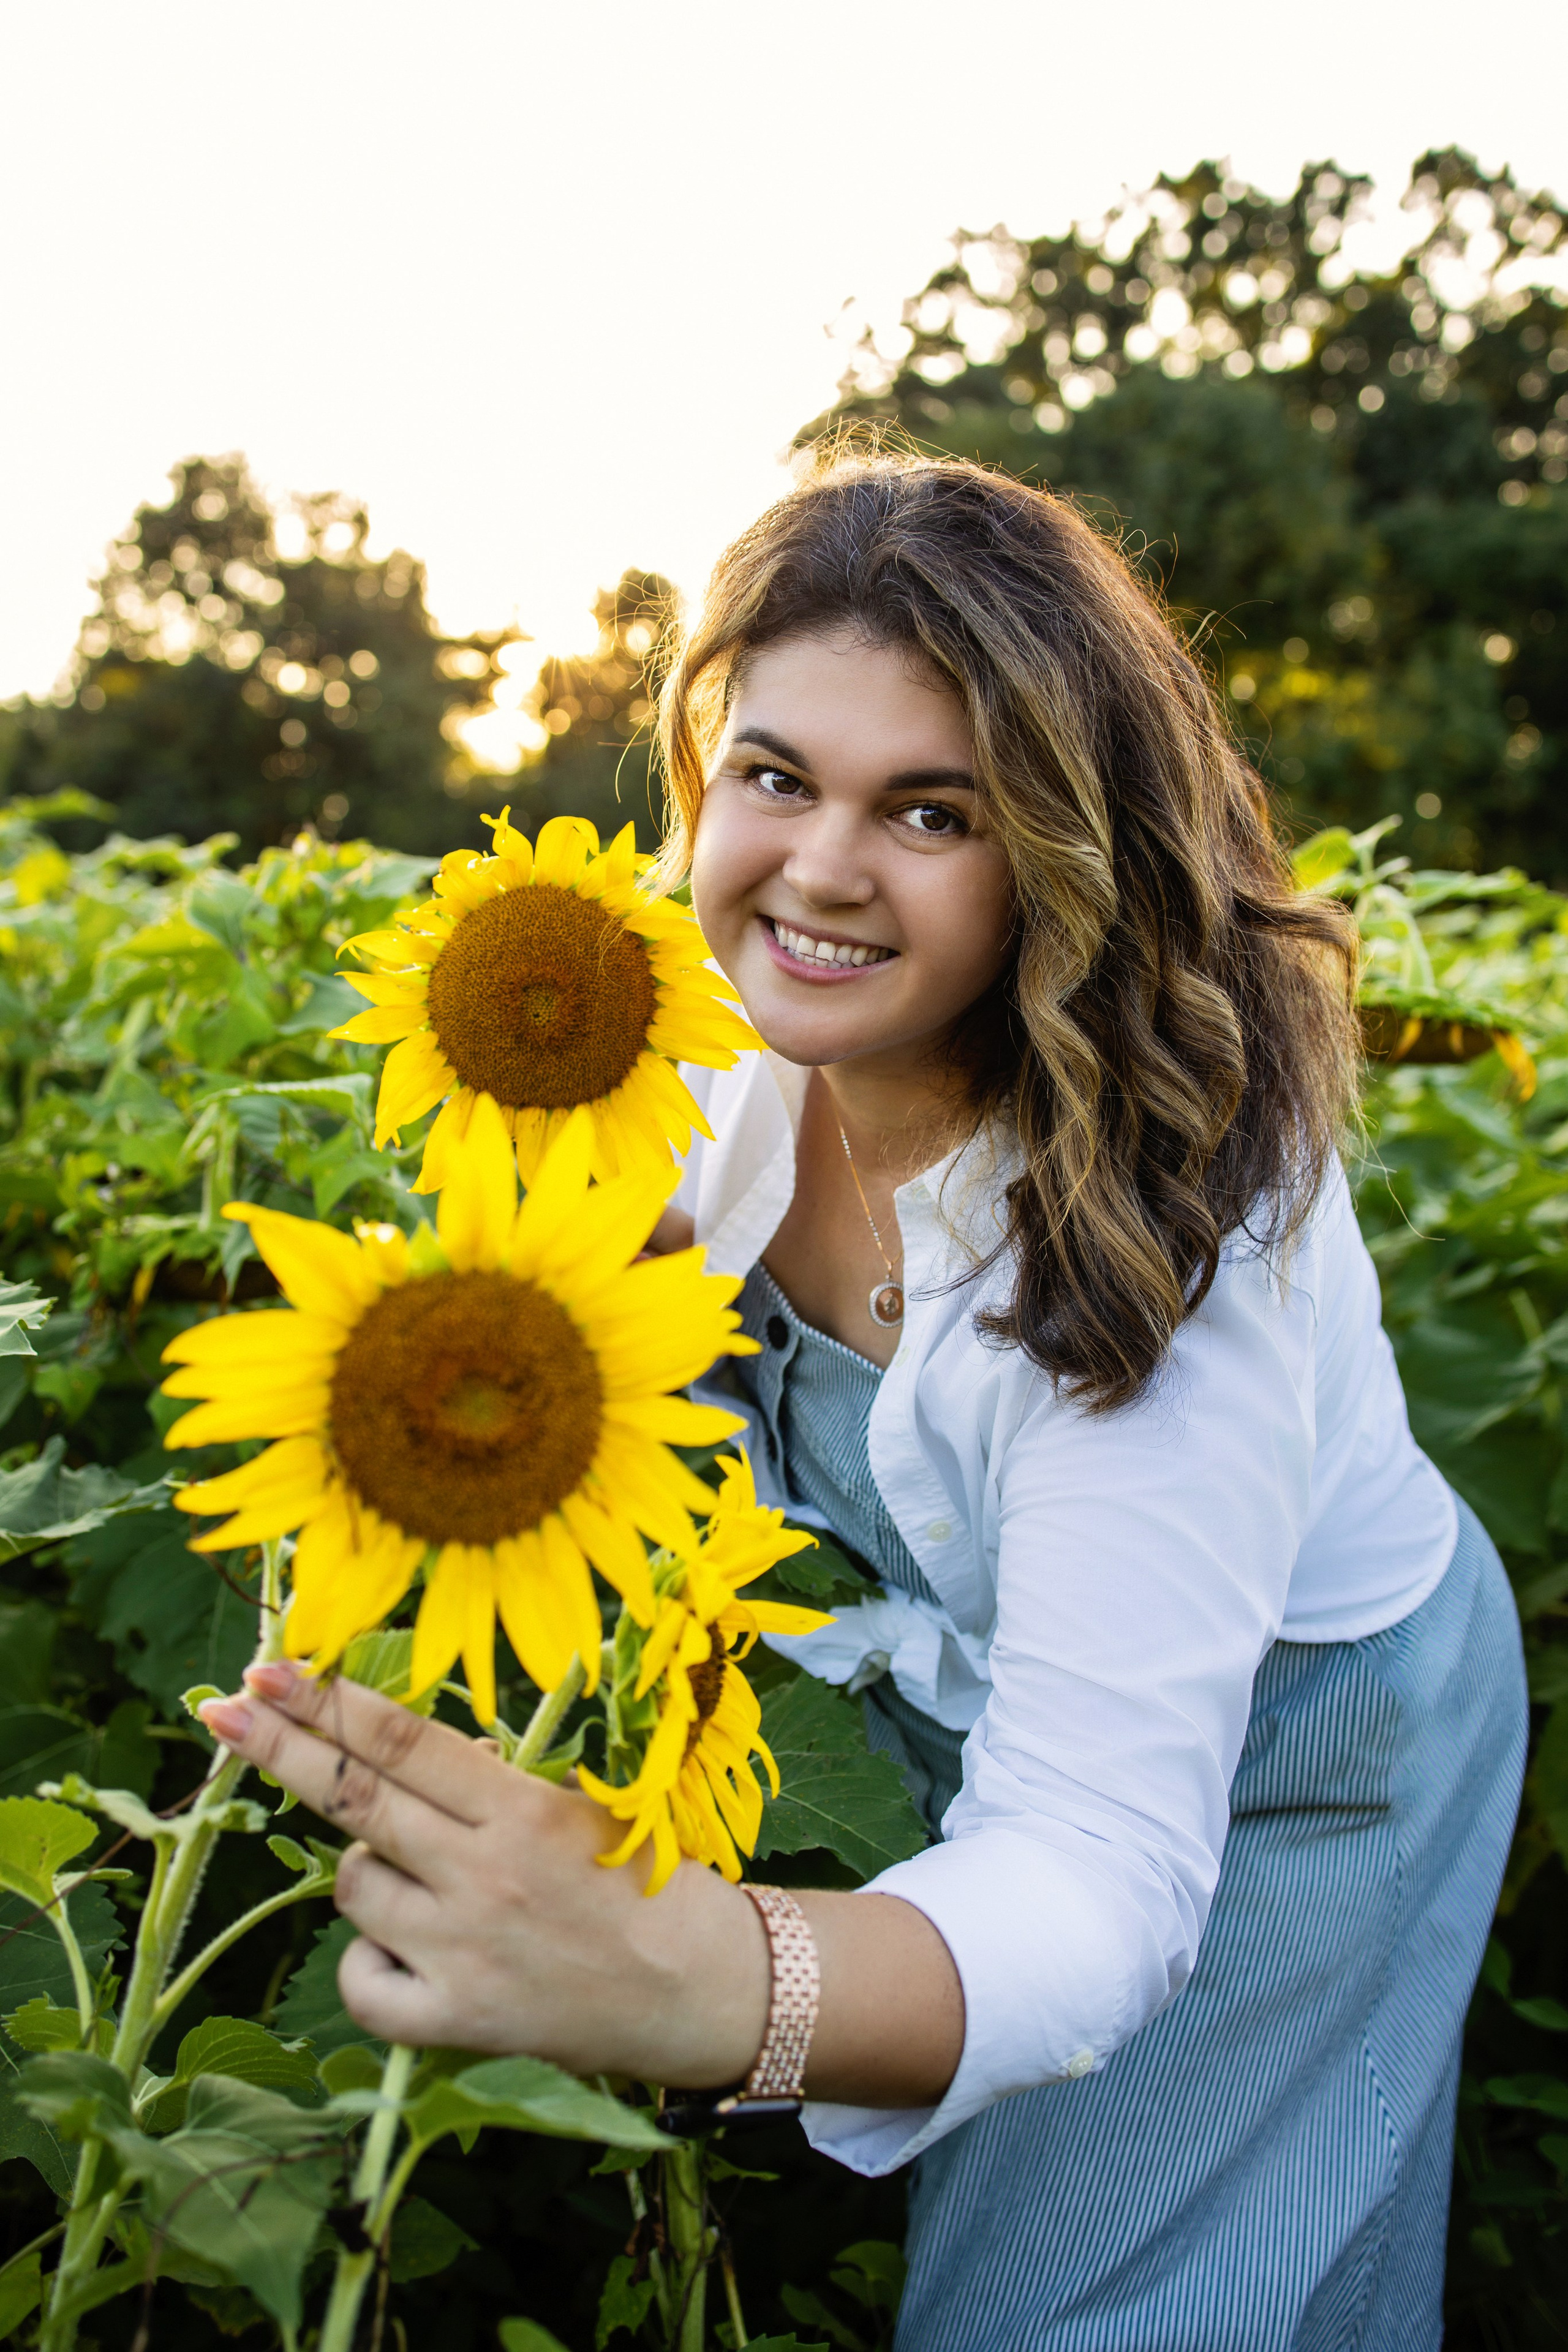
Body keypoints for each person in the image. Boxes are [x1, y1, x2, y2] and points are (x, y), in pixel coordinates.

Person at [203, 451, 1526, 2350]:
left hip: (1284, 1757)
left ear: (1067, 847)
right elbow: (609, 1287)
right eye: (774, 776)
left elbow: (1091, 1876)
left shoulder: (1171, 1245)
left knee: (1122, 2293)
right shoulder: (697, 1031)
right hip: (951, 1682)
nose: (821, 869)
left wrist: (702, 1976)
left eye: (931, 810)